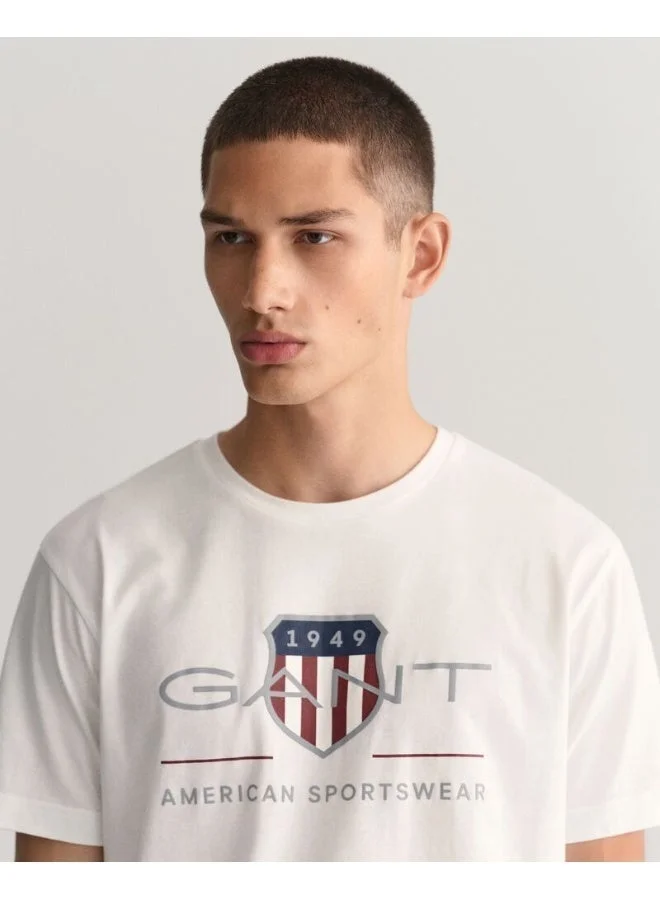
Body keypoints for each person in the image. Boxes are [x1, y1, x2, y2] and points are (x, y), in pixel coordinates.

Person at [1, 55, 660, 864]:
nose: (262, 291)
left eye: (314, 237)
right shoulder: (98, 562)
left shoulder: (562, 564)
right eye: (232, 238)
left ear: (421, 254)